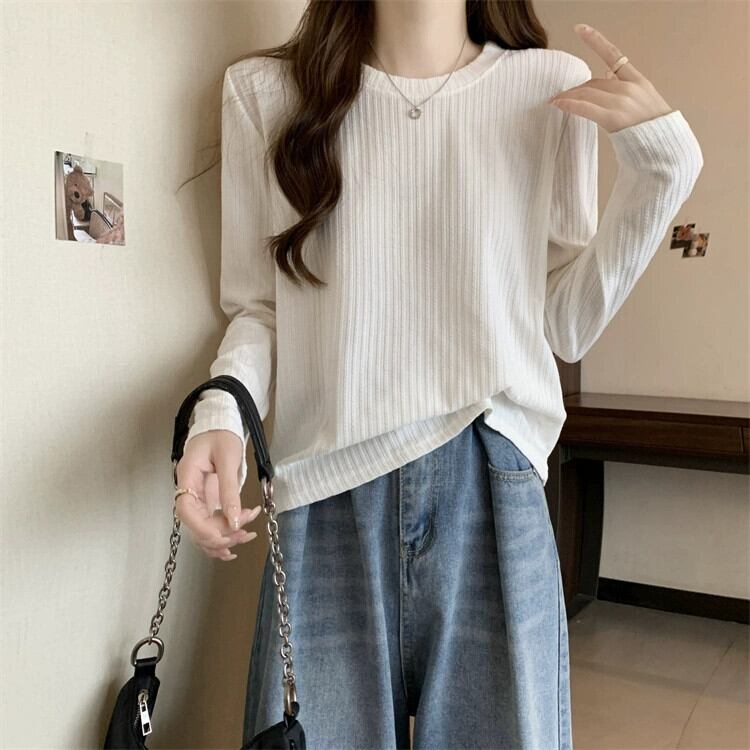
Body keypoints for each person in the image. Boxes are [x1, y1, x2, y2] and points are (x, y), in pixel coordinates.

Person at [174, 2, 704, 747]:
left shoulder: (549, 86)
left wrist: (663, 171)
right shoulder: (266, 94)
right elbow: (261, 308)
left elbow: (565, 322)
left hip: (491, 482)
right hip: (326, 489)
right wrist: (221, 414)